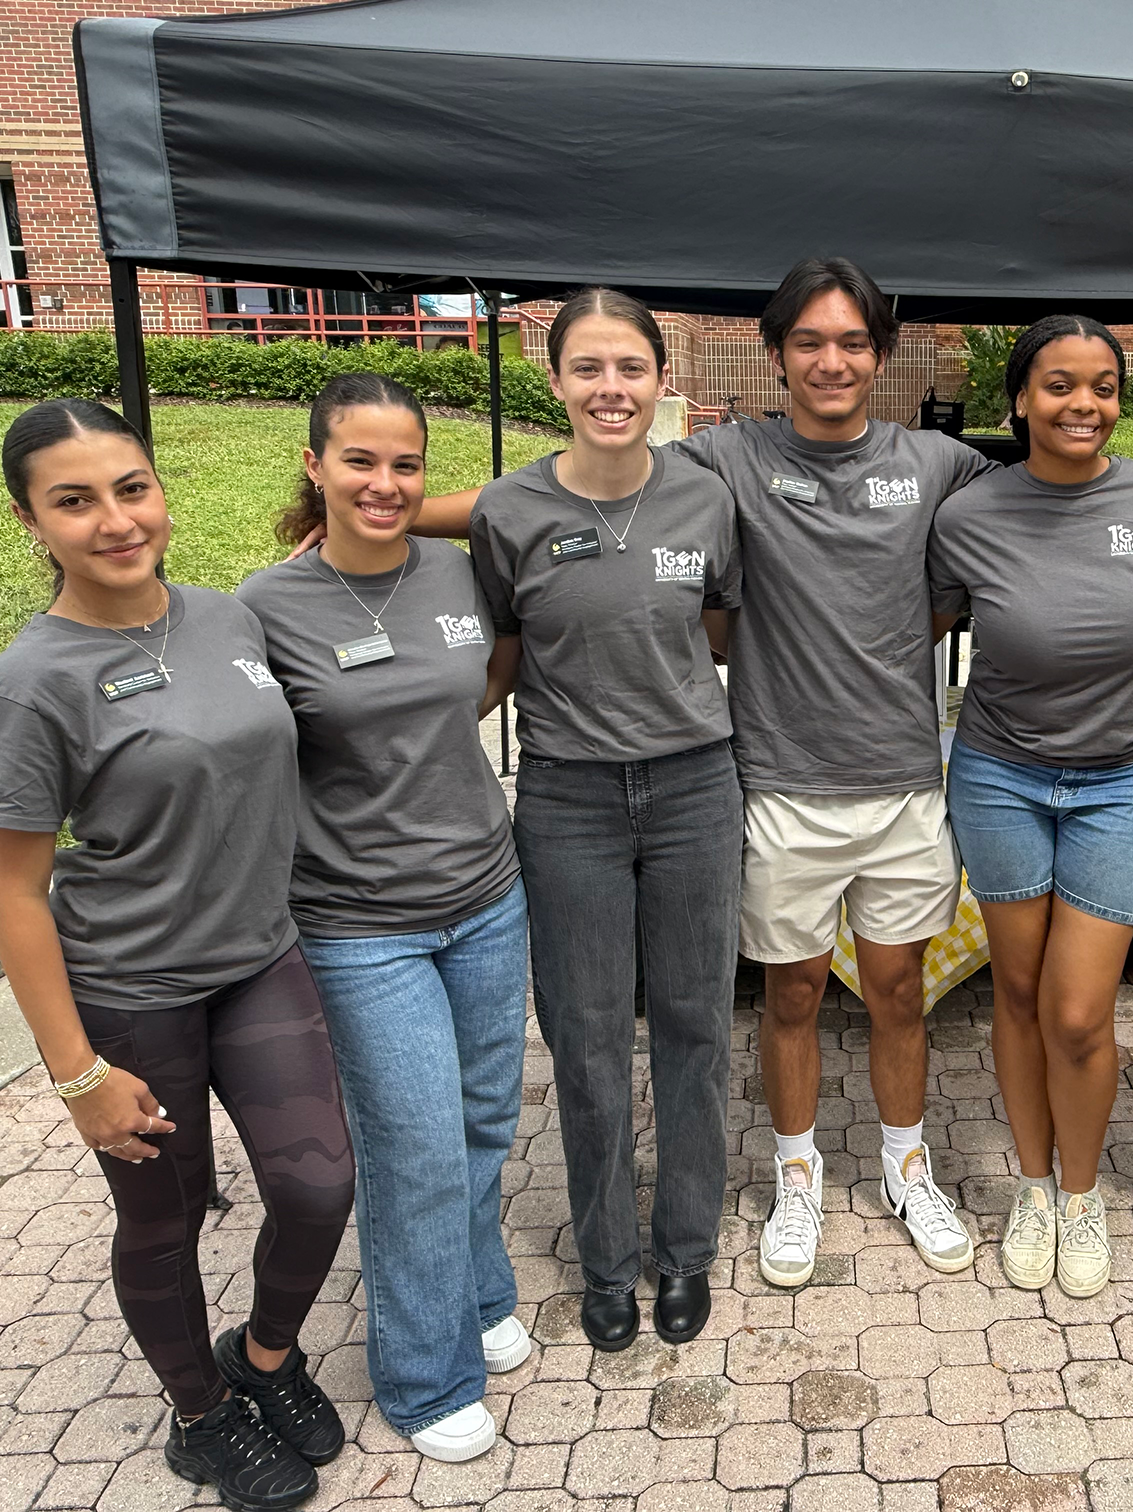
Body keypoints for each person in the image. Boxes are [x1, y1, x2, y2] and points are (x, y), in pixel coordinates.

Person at [365, 260, 995, 1290]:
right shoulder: (723, 462)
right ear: (776, 353)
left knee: (896, 992)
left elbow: (1056, 496)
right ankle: (796, 1180)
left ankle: (906, 1167)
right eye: (809, 342)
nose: (830, 361)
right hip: (775, 778)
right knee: (788, 995)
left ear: (878, 354)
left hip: (899, 783)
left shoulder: (937, 464)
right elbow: (559, 486)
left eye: (850, 342)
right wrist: (383, 507)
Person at [0, 400, 352, 1510]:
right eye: (74, 501)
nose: (114, 520)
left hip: (257, 958)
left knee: (319, 1185)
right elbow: (12, 890)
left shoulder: (229, 618)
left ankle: (263, 1359)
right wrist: (77, 1073)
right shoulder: (30, 683)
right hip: (132, 990)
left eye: (130, 488)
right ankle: (200, 1417)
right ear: (29, 521)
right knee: (167, 1216)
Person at [237, 375, 527, 1462]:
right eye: (361, 461)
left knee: (484, 1122)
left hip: (488, 898)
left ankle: (480, 1288)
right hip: (361, 926)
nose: (386, 483)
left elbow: (490, 672)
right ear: (315, 464)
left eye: (405, 463)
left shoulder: (454, 572)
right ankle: (421, 1375)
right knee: (415, 1150)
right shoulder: (263, 608)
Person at [472, 289, 743, 1351]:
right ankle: (607, 1262)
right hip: (569, 799)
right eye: (587, 368)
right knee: (583, 1041)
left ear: (662, 377)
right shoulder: (509, 513)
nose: (610, 389)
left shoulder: (706, 500)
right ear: (555, 382)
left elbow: (717, 627)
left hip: (691, 790)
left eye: (629, 367)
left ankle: (684, 1249)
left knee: (693, 1026)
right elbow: (494, 653)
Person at [929, 315, 1133, 1298]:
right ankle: (1033, 1187)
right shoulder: (971, 515)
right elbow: (915, 619)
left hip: (1122, 781)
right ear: (1020, 400)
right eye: (1058, 385)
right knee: (1015, 989)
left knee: (1079, 1012)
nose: (1081, 404)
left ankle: (1082, 1195)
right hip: (1000, 773)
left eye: (1100, 386)